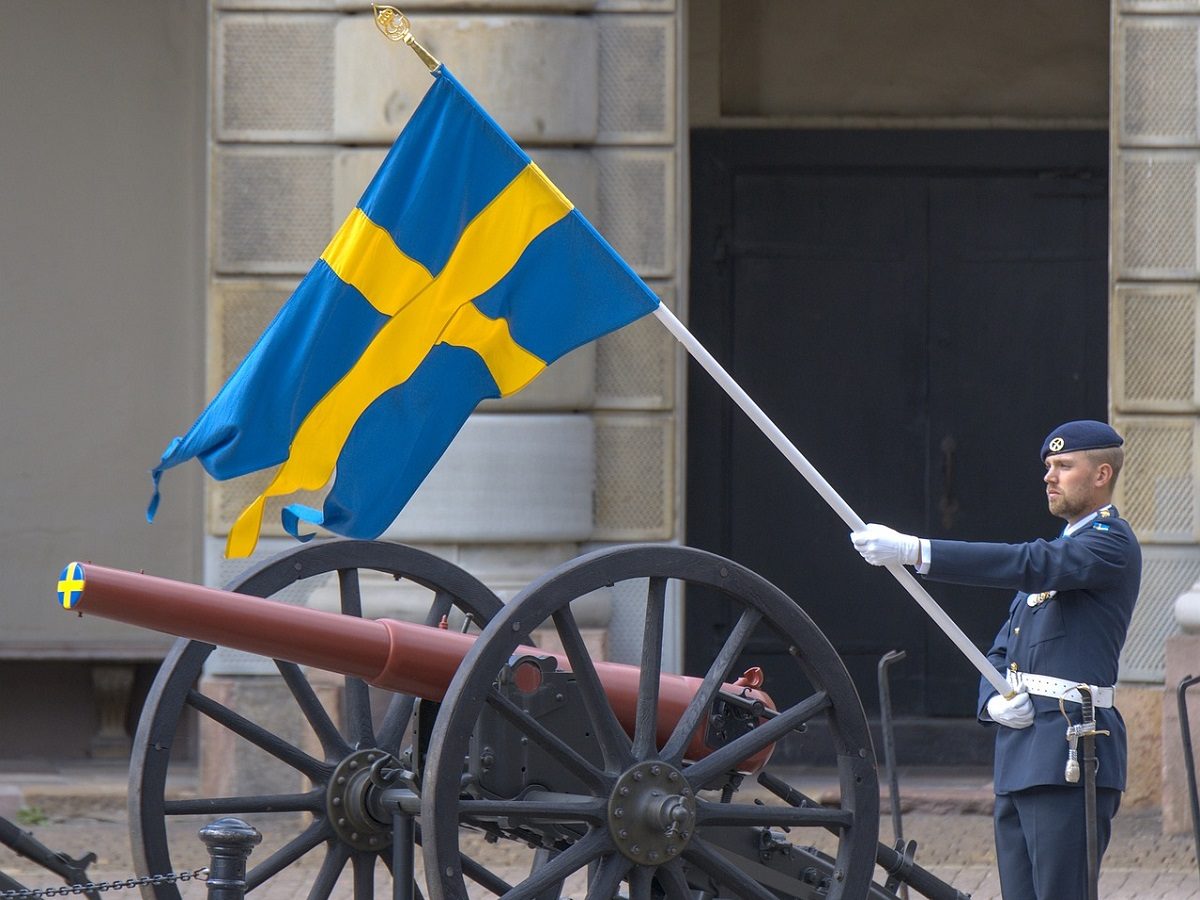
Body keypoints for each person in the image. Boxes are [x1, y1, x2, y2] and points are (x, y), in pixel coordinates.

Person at [849, 420, 1141, 900]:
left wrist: (918, 551)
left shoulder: (1109, 543)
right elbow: (1001, 650)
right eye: (1048, 466)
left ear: (1101, 474)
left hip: (1071, 751)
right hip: (1020, 755)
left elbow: (1028, 563)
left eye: (1064, 466)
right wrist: (991, 702)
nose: (1049, 476)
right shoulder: (1064, 552)